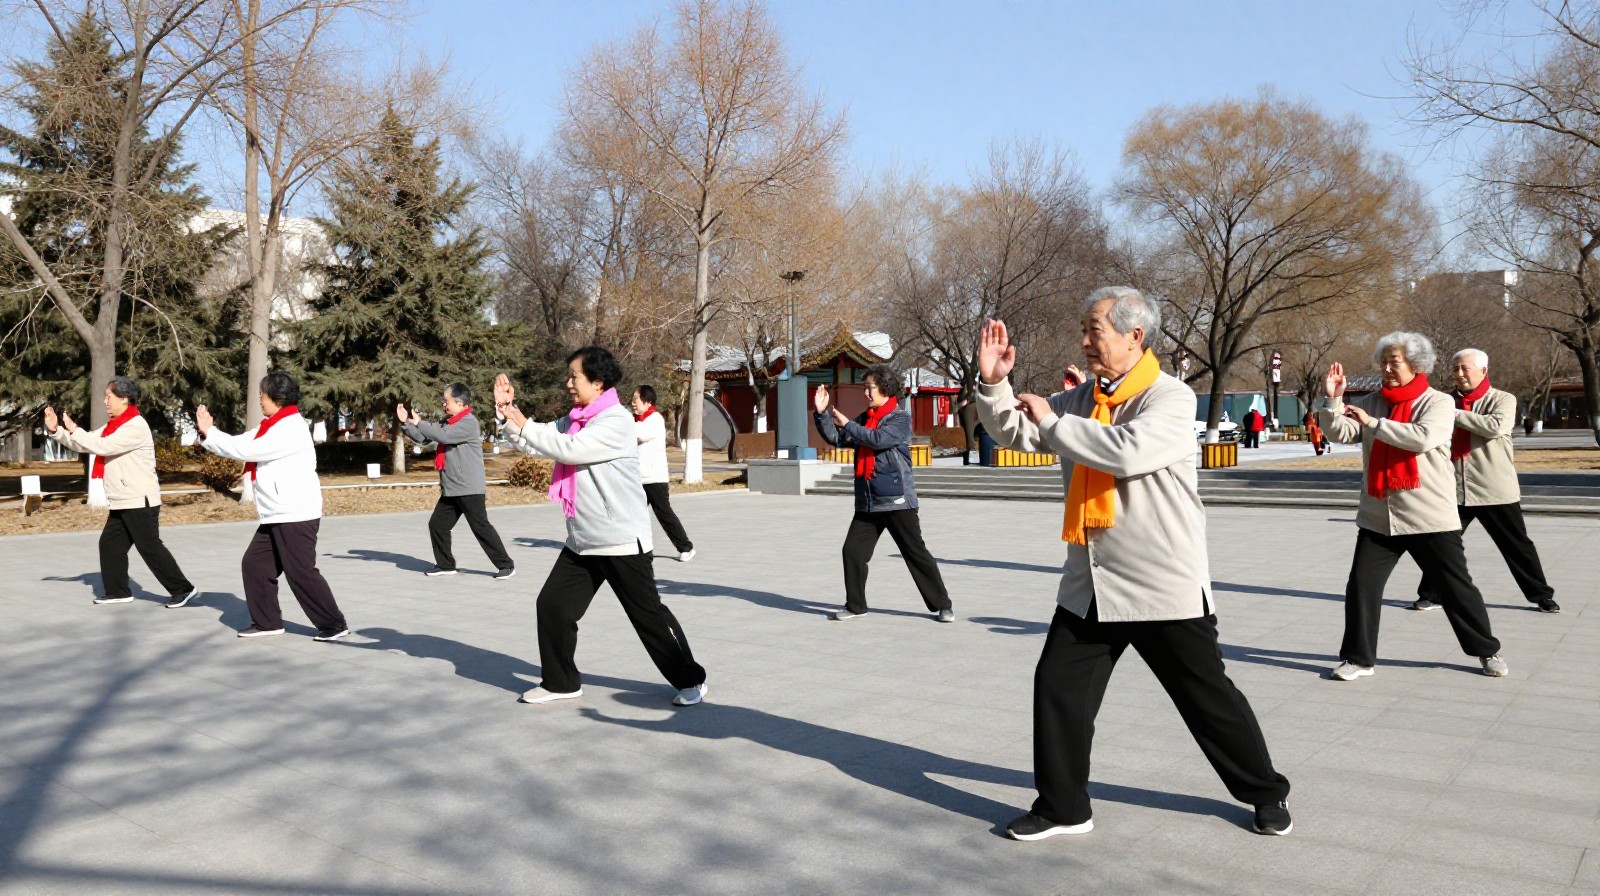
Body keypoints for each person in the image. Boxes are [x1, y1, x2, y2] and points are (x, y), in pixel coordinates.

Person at [976, 287, 1292, 841]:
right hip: (1092, 582)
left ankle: (1266, 792)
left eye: (1094, 330)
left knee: (1206, 698)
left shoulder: (1169, 398)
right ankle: (1063, 806)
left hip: (1160, 582)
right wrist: (994, 383)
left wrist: (1052, 419)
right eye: (1086, 329)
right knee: (1058, 686)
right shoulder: (1084, 399)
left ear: (1134, 336)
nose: (1084, 341)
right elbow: (1017, 432)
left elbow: (1124, 450)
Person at [495, 347, 708, 707]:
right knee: (553, 606)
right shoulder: (577, 418)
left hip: (621, 540)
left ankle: (692, 680)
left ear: (597, 381)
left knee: (648, 617)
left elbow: (568, 450)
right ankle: (561, 681)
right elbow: (535, 442)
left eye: (574, 377)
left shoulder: (615, 421)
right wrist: (507, 413)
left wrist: (522, 421)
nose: (568, 384)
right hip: (583, 540)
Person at [1318, 334, 1508, 680]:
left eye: (1395, 361)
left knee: (1456, 589)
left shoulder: (1438, 402)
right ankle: (1358, 659)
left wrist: (1374, 424)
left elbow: (1422, 437)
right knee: (1361, 586)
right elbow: (1341, 433)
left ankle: (1487, 650)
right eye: (1383, 362)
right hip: (1379, 517)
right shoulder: (1374, 401)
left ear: (1416, 365)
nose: (1387, 368)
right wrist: (1332, 402)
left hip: (1430, 517)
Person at [195, 371, 350, 642]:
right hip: (277, 512)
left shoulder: (289, 428)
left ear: (276, 398)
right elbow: (245, 442)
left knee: (300, 571)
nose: (259, 399)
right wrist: (209, 434)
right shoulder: (272, 425)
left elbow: (246, 450)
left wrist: (211, 432)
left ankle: (334, 624)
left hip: (295, 512)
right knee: (255, 564)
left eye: (262, 395)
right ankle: (267, 622)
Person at [1410, 349, 1559, 614]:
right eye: (1455, 369)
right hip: (1452, 488)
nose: (1459, 374)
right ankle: (1431, 594)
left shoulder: (1503, 399)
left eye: (1465, 368)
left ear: (1483, 370)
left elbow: (1495, 427)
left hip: (1495, 490)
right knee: (1440, 545)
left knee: (1517, 546)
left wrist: (1451, 413)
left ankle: (1541, 595)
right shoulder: (1442, 401)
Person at [813, 365, 955, 623]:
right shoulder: (864, 417)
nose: (866, 393)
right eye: (865, 387)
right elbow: (838, 437)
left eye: (870, 387)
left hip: (897, 500)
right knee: (852, 552)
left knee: (915, 553)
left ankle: (943, 605)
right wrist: (822, 414)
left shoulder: (899, 418)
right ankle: (856, 606)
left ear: (885, 388)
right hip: (869, 502)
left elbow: (877, 439)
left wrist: (849, 425)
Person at [44, 377, 199, 608]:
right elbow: (86, 443)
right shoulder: (113, 425)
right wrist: (57, 431)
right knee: (109, 545)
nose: (105, 401)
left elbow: (102, 446)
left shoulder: (135, 426)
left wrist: (74, 428)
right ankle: (117, 592)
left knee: (150, 547)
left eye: (109, 396)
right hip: (122, 499)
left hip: (139, 498)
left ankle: (183, 590)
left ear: (124, 399)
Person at [398, 383, 515, 580]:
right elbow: (425, 438)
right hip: (451, 488)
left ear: (460, 403)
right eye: (443, 400)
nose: (444, 404)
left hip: (469, 487)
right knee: (437, 525)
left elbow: (443, 436)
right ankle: (445, 565)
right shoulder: (448, 421)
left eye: (447, 400)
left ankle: (506, 565)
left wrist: (420, 423)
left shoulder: (468, 422)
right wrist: (407, 423)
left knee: (480, 527)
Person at [632, 384, 695, 562]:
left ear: (647, 401)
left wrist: (624, 422)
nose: (633, 403)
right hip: (637, 479)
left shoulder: (655, 419)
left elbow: (640, 435)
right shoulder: (635, 420)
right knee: (635, 516)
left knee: (664, 514)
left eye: (636, 399)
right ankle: (641, 549)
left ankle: (686, 547)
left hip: (654, 478)